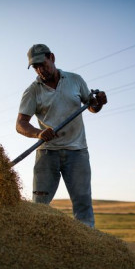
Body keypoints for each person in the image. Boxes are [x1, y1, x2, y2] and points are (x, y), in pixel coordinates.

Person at [16, 44, 107, 228]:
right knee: (39, 206)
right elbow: (21, 124)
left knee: (83, 204)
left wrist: (98, 104)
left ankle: (87, 246)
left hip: (77, 151)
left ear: (52, 57)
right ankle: (36, 242)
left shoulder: (75, 80)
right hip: (47, 153)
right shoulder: (32, 91)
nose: (40, 70)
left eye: (42, 64)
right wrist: (38, 133)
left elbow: (90, 106)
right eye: (35, 67)